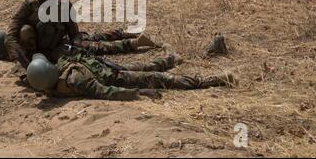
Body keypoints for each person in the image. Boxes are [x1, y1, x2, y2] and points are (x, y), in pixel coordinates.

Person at [5, 0, 161, 68]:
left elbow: (74, 31)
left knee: (88, 46)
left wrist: (75, 44)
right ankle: (132, 40)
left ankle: (129, 38)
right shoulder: (29, 4)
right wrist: (23, 61)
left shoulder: (63, 3)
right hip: (37, 49)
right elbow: (11, 33)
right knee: (25, 31)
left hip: (56, 42)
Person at [23, 53, 237, 101]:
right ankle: (213, 80)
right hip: (116, 78)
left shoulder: (45, 83)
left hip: (107, 69)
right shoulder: (75, 80)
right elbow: (106, 91)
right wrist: (140, 92)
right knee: (158, 77)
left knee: (146, 66)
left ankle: (171, 59)